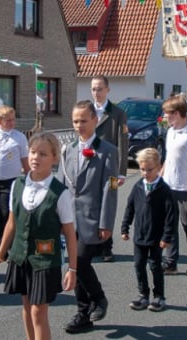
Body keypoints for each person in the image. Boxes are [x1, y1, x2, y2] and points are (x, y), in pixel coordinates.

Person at [0, 132, 78, 340]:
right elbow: (12, 224)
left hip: (45, 260)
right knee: (27, 306)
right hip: (20, 257)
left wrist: (72, 269)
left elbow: (70, 234)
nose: (36, 157)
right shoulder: (18, 185)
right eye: (33, 152)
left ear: (54, 158)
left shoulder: (60, 192)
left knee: (38, 311)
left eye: (43, 154)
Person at [61, 100, 119, 334]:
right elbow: (61, 186)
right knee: (74, 264)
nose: (79, 125)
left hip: (92, 219)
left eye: (84, 120)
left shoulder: (108, 151)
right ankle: (83, 314)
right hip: (69, 219)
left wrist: (106, 222)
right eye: (75, 121)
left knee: (80, 261)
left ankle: (99, 297)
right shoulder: (67, 149)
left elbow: (110, 188)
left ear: (95, 120)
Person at [120, 147, 177, 312]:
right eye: (142, 169)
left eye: (149, 169)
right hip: (140, 235)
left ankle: (159, 296)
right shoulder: (138, 186)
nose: (145, 173)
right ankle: (143, 294)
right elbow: (130, 208)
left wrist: (167, 237)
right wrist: (125, 227)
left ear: (158, 167)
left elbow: (171, 216)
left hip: (156, 236)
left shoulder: (164, 190)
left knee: (155, 266)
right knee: (139, 265)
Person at [160, 95, 187, 276]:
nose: (165, 117)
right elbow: (168, 158)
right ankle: (171, 262)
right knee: (169, 225)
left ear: (177, 113)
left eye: (167, 114)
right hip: (169, 186)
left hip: (186, 187)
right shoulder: (170, 132)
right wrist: (159, 178)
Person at [0, 105, 30, 255]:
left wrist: (30, 178)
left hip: (11, 182)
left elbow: (25, 160)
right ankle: (0, 250)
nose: (11, 123)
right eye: (8, 120)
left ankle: (11, 246)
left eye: (13, 120)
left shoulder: (19, 138)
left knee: (6, 214)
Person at [90, 75, 128, 263]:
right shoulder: (87, 111)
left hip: (111, 168)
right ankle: (93, 244)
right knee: (92, 204)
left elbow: (123, 142)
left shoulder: (118, 113)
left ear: (107, 90)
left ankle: (107, 246)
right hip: (90, 166)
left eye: (99, 89)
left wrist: (121, 171)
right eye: (93, 89)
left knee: (109, 203)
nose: (96, 92)